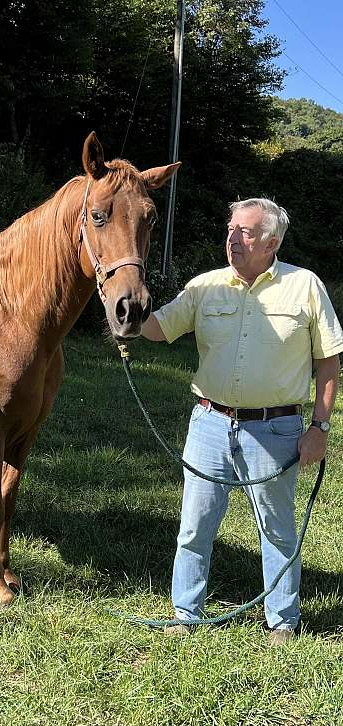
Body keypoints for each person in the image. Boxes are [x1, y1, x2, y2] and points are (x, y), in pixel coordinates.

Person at [140, 198, 343, 645]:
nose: (233, 237)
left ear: (271, 242)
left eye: (245, 232)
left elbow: (329, 364)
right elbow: (158, 327)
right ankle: (186, 612)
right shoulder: (205, 286)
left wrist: (320, 428)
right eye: (230, 228)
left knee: (276, 529)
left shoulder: (304, 286)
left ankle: (282, 621)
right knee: (195, 525)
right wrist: (127, 309)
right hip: (209, 423)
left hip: (277, 429)